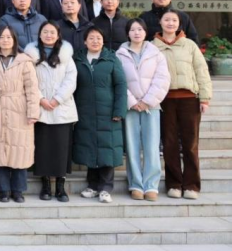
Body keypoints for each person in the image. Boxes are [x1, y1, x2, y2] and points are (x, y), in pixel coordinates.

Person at [153, 10, 212, 200]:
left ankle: (191, 185)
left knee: (190, 143)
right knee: (169, 143)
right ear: (160, 22)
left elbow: (201, 71)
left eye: (174, 20)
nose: (170, 23)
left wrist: (204, 97)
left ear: (179, 24)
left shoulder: (190, 45)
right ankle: (174, 184)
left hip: (189, 99)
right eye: (167, 20)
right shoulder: (152, 47)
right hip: (165, 100)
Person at [117, 18, 171, 202]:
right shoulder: (120, 54)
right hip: (130, 107)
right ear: (128, 33)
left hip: (151, 106)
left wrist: (147, 101)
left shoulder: (156, 53)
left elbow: (162, 79)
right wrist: (132, 102)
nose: (137, 33)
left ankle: (151, 185)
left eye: (140, 29)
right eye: (133, 30)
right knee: (132, 147)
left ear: (145, 32)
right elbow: (119, 81)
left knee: (152, 146)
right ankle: (135, 185)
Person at [24, 22, 78, 203]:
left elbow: (71, 79)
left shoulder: (66, 55)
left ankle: (60, 187)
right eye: (45, 32)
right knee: (43, 148)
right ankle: (46, 185)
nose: (48, 35)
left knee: (61, 149)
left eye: (52, 32)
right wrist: (41, 99)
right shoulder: (31, 55)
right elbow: (29, 79)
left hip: (62, 108)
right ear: (39, 34)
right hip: (40, 107)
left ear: (58, 35)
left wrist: (57, 99)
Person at [73, 27, 127, 204]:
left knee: (107, 148)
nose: (95, 41)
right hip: (85, 111)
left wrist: (119, 110)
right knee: (90, 146)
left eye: (98, 38)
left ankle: (105, 188)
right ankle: (92, 185)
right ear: (85, 41)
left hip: (108, 111)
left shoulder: (111, 58)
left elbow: (121, 85)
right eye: (91, 38)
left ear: (103, 41)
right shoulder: (78, 59)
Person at [0, 26, 40, 203]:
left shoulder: (24, 60)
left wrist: (33, 112)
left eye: (9, 37)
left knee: (20, 149)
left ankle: (18, 190)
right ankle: (3, 189)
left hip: (19, 108)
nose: (5, 40)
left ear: (14, 40)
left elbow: (32, 89)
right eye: (2, 37)